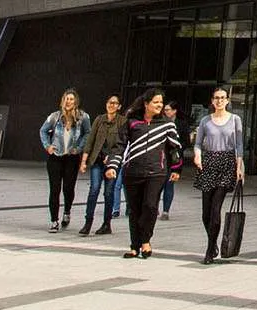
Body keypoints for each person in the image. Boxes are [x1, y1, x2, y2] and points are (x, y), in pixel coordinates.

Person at [105, 89, 178, 259]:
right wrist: (112, 166)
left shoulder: (167, 124)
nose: (160, 105)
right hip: (132, 172)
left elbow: (175, 148)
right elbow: (119, 146)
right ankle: (134, 245)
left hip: (156, 172)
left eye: (161, 102)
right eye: (156, 102)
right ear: (146, 104)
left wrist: (176, 169)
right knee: (134, 209)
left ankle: (146, 240)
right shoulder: (132, 122)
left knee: (150, 206)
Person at [193, 87, 245, 265]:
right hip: (208, 162)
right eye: (216, 98)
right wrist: (197, 155)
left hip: (226, 162)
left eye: (223, 98)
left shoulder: (235, 120)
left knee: (215, 209)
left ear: (228, 100)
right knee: (205, 213)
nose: (220, 101)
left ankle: (209, 249)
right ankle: (213, 242)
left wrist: (239, 166)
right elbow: (198, 143)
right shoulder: (205, 121)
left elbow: (239, 144)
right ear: (212, 100)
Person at [39, 89, 89, 233]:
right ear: (63, 101)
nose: (68, 102)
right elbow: (43, 130)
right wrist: (47, 146)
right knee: (54, 189)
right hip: (55, 157)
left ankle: (67, 211)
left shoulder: (83, 117)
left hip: (72, 158)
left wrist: (79, 148)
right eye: (66, 99)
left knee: (68, 188)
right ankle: (54, 221)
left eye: (71, 99)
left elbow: (88, 132)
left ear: (76, 101)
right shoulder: (55, 117)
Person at [77, 94, 125, 236]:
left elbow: (123, 143)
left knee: (109, 192)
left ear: (119, 106)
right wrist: (84, 161)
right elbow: (90, 140)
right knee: (94, 190)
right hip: (97, 160)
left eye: (115, 103)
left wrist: (112, 158)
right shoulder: (99, 119)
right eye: (109, 102)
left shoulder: (122, 121)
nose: (111, 105)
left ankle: (106, 224)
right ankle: (88, 222)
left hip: (112, 163)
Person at [157, 100, 182, 221]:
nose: (165, 112)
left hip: (173, 160)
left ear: (174, 111)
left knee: (169, 185)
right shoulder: (160, 123)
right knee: (156, 186)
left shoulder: (180, 125)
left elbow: (184, 144)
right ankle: (154, 207)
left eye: (167, 110)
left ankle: (166, 210)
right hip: (160, 159)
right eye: (165, 110)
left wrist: (178, 166)